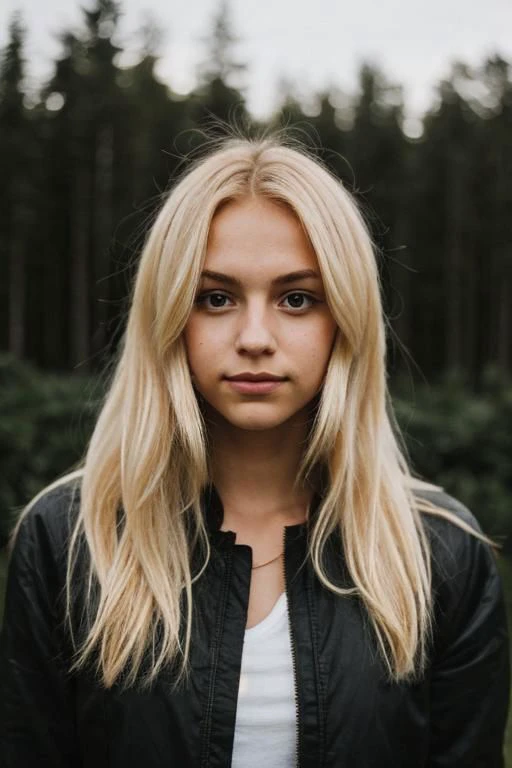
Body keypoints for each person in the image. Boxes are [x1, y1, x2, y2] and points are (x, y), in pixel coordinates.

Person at [0, 136, 509, 768]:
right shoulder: (71, 538)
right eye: (216, 297)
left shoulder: (442, 553)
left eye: (297, 298)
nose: (255, 338)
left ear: (345, 319)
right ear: (169, 316)